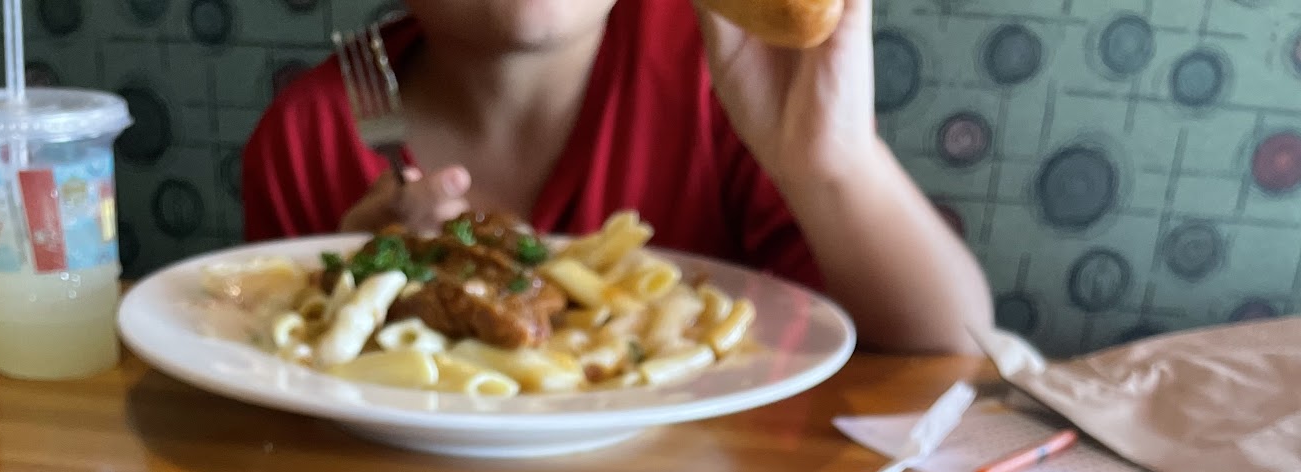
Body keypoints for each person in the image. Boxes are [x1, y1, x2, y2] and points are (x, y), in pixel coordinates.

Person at [243, 0, 993, 352]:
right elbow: (266, 385)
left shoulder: (723, 80)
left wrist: (832, 165)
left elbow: (952, 343)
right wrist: (345, 282)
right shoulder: (309, 133)